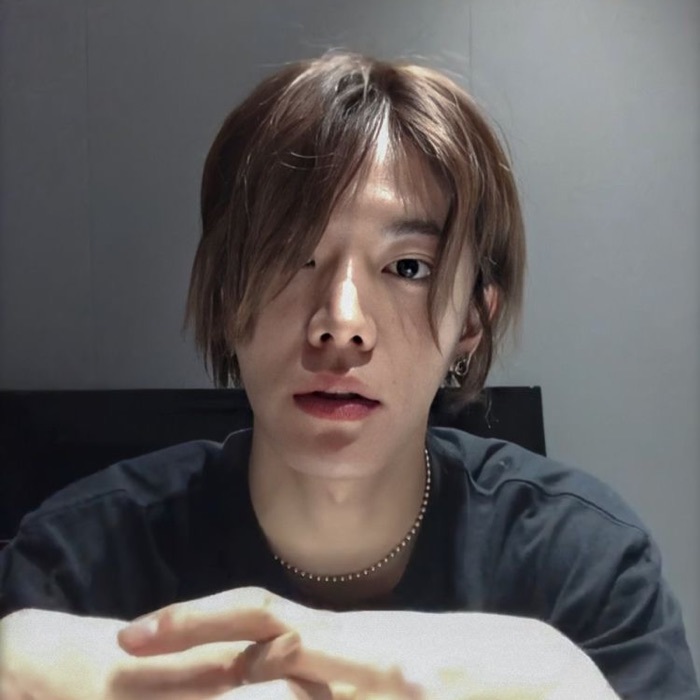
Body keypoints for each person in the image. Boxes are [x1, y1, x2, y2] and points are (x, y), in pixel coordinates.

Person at [0, 51, 697, 700]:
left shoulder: (583, 568)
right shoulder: (76, 566)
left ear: (471, 323)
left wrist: (554, 678)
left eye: (408, 268)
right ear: (226, 297)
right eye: (290, 257)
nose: (341, 322)